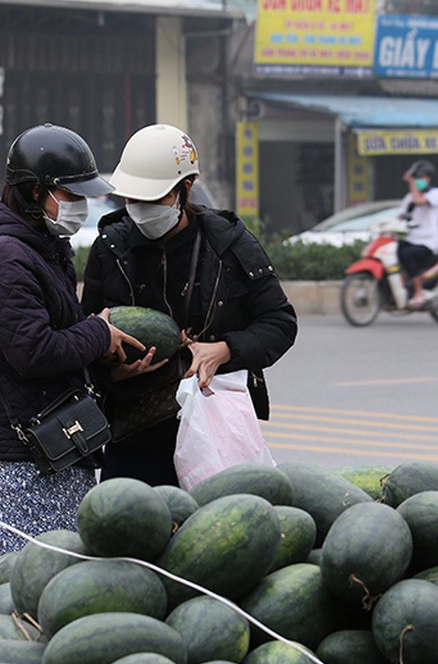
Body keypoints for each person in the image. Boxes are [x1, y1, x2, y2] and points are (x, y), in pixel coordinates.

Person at [0, 123, 142, 599]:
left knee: (54, 589)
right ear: (35, 191)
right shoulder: (4, 256)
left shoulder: (41, 245)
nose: (81, 205)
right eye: (70, 193)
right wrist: (98, 333)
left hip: (54, 444)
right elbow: (33, 349)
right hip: (21, 454)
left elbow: (58, 334)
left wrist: (103, 357)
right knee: (7, 589)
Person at [81, 123, 298, 486]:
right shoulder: (111, 247)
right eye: (133, 199)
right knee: (131, 536)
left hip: (214, 434)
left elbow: (279, 322)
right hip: (134, 433)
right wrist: (110, 369)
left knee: (215, 535)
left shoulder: (229, 243)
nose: (141, 209)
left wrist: (224, 350)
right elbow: (86, 329)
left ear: (186, 188)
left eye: (154, 199)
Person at [396, 160, 438, 310]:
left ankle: (419, 292)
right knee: (395, 249)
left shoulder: (437, 194)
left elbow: (419, 200)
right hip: (412, 238)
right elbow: (400, 216)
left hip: (429, 242)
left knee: (408, 255)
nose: (418, 181)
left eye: (421, 178)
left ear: (428, 178)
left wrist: (412, 183)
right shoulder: (408, 198)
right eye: (417, 178)